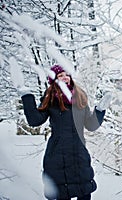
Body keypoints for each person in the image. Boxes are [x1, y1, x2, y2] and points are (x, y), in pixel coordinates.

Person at [21, 65, 112, 200]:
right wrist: (27, 97)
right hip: (58, 155)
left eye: (66, 74)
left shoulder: (79, 99)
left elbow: (91, 125)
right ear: (54, 81)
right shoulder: (50, 99)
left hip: (78, 154)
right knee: (62, 193)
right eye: (60, 75)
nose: (65, 77)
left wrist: (99, 110)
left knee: (84, 191)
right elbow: (35, 121)